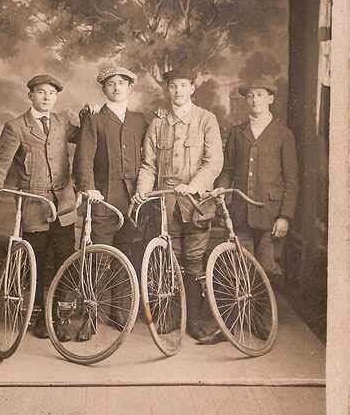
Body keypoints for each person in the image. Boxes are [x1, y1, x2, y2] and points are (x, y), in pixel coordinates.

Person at [0, 74, 82, 341]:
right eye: (41, 92)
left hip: (64, 207)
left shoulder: (62, 122)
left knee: (64, 261)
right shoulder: (16, 127)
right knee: (35, 262)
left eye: (52, 93)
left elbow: (89, 138)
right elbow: (0, 163)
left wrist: (90, 114)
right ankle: (36, 315)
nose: (47, 97)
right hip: (34, 207)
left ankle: (58, 317)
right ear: (30, 96)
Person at [132, 67, 224, 342]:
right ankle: (170, 315)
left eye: (184, 85)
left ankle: (193, 320)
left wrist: (194, 186)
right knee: (165, 261)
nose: (178, 91)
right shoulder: (158, 123)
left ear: (192, 88)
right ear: (167, 90)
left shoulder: (206, 120)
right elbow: (148, 164)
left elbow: (213, 161)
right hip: (164, 203)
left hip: (196, 203)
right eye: (173, 86)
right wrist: (142, 192)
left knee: (194, 262)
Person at [73, 66, 147, 331]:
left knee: (125, 257)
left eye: (121, 83)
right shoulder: (94, 118)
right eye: (111, 84)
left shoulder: (140, 119)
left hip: (132, 203)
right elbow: (83, 158)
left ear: (129, 88)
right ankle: (88, 318)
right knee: (97, 259)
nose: (116, 88)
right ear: (104, 89)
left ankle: (119, 313)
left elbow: (150, 155)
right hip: (103, 200)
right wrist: (88, 188)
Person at [212, 79, 299, 292]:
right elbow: (228, 170)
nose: (255, 99)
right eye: (250, 95)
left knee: (268, 267)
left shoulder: (283, 133)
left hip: (270, 214)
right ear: (246, 101)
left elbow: (291, 180)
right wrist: (221, 188)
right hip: (241, 212)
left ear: (270, 99)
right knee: (240, 266)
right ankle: (240, 316)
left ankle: (264, 320)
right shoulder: (237, 132)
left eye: (260, 94)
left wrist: (285, 216)